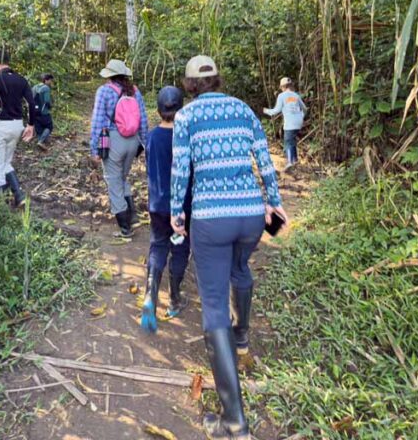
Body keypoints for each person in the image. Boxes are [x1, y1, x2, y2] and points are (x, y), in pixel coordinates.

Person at [171, 55, 288, 440]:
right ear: (218, 79)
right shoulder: (242, 109)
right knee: (241, 269)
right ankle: (242, 335)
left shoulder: (187, 118)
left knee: (214, 306)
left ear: (189, 85)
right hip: (251, 215)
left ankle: (234, 422)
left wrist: (177, 213)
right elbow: (265, 160)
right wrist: (274, 200)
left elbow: (181, 170)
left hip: (212, 218)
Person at [140, 85, 191, 333]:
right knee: (179, 249)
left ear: (158, 110)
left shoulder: (151, 137)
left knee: (158, 245)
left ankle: (150, 295)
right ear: (182, 109)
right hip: (182, 207)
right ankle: (173, 299)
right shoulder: (187, 137)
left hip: (157, 204)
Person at [89, 58, 149, 239]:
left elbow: (98, 122)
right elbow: (143, 120)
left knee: (113, 182)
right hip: (132, 141)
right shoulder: (134, 91)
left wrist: (95, 149)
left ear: (109, 75)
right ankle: (133, 217)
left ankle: (125, 229)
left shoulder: (104, 91)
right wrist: (144, 143)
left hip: (113, 140)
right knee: (122, 177)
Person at [0, 48, 35, 207]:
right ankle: (19, 196)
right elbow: (31, 103)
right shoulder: (21, 80)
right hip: (17, 125)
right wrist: (30, 125)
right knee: (5, 163)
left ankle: (0, 205)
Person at [264, 76, 307, 169]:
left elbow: (276, 110)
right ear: (290, 86)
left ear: (282, 87)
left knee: (287, 141)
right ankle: (295, 160)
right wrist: (301, 116)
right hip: (298, 122)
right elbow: (305, 108)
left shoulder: (281, 96)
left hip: (290, 123)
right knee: (292, 140)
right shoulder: (296, 95)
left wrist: (266, 111)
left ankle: (290, 162)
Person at [32, 73, 54, 146]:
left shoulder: (34, 87)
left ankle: (41, 141)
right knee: (49, 126)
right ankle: (41, 141)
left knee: (39, 128)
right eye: (50, 80)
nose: (51, 82)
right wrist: (50, 106)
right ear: (46, 80)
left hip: (34, 111)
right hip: (43, 112)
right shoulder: (46, 88)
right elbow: (47, 100)